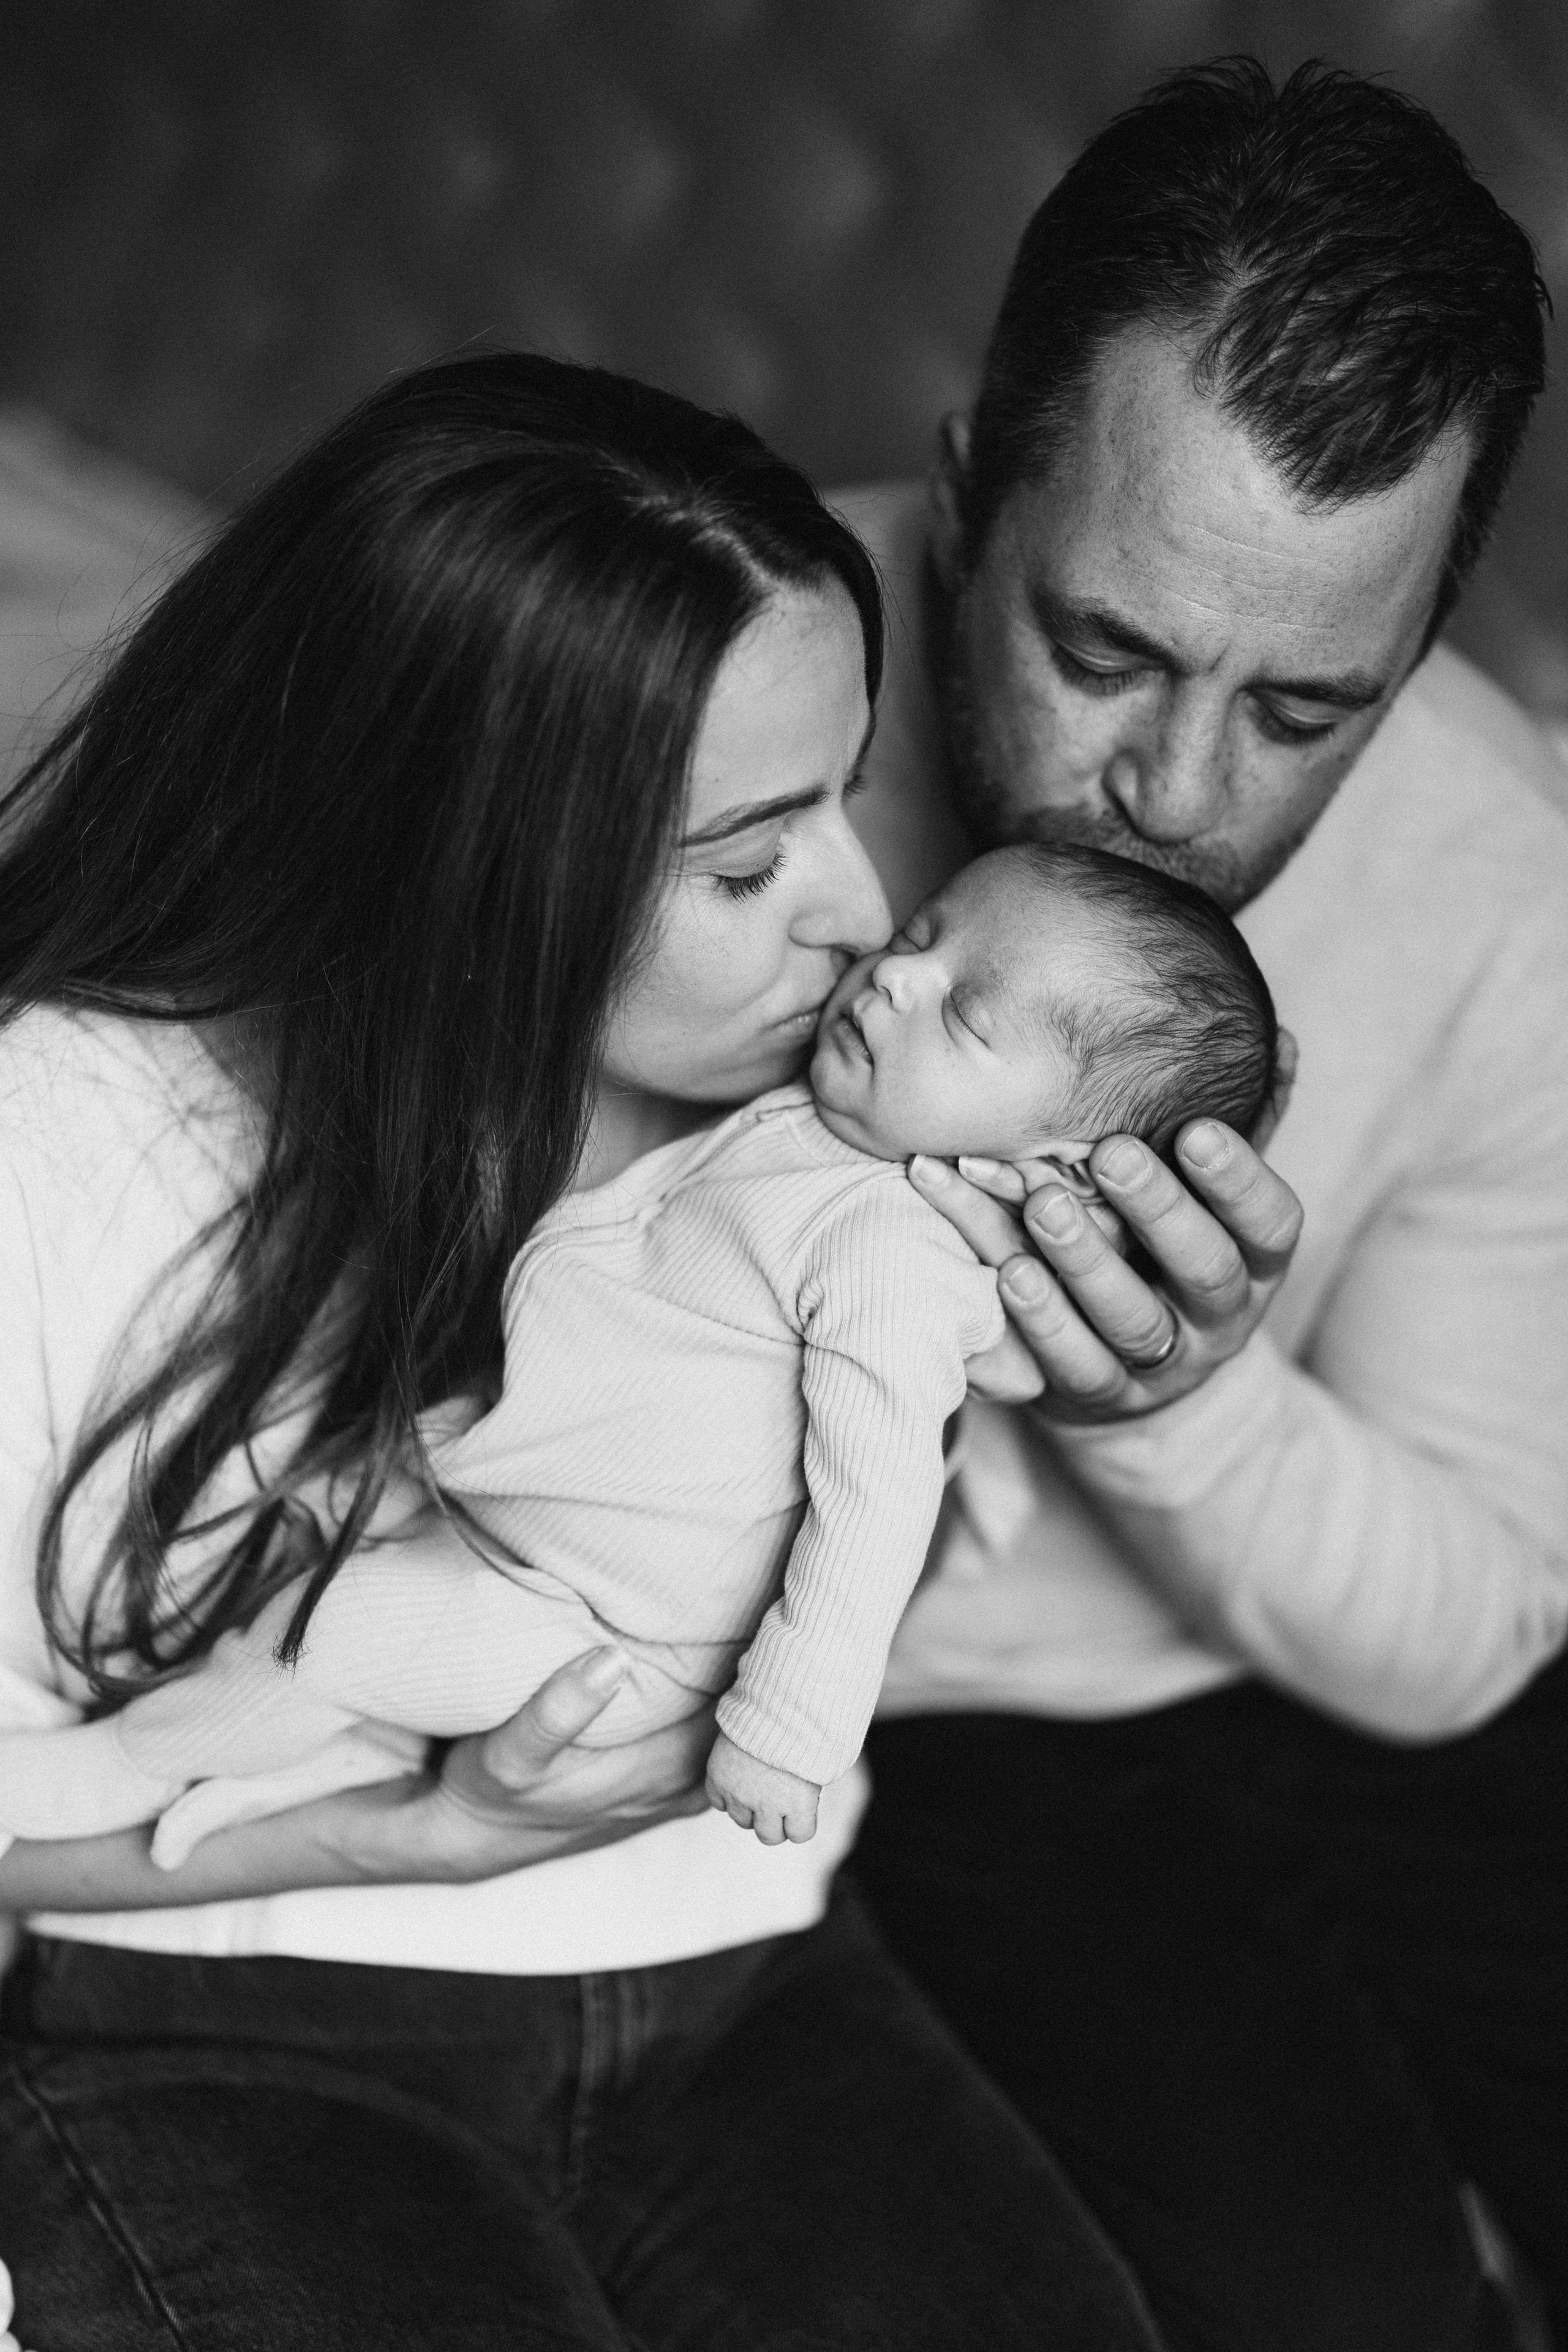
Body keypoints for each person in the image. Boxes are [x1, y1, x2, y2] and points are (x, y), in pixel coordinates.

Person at [0, 353, 1164, 2351]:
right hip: (234, 2016)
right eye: (748, 862)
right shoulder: (63, 1145)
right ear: (455, 851)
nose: (864, 915)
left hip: (756, 1980)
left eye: (848, 794)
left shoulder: (851, 1105)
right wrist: (399, 1835)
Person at [825, 57, 1568, 2352]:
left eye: (1308, 709)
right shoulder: (704, 724)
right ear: (971, 490)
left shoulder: (1494, 871)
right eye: (1106, 652)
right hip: (930, 1725)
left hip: (1329, 1632)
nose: (1173, 792)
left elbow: (1470, 1628)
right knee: (1339, 2307)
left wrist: (1177, 1399)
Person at [0, 840, 1275, 1858]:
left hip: (604, 1630)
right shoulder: (821, 1124)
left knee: (329, 1629)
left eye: (968, 1015)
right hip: (525, 1505)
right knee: (314, 1520)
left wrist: (790, 1729)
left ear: (1056, 1171)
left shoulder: (896, 1253)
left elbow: (874, 1502)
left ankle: (127, 1768)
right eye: (923, 934)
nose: (894, 974)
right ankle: (301, 1750)